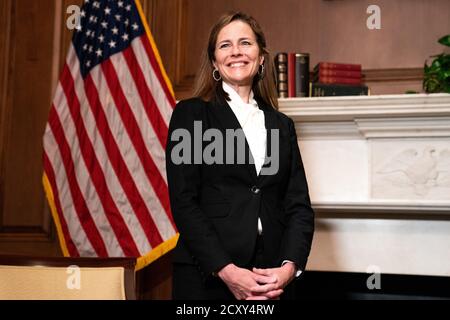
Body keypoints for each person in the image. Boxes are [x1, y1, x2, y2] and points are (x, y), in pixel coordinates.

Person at [166, 11, 314, 300]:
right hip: (207, 275)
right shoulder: (191, 114)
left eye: (245, 43)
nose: (236, 51)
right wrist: (226, 271)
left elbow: (298, 206)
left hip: (271, 278)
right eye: (225, 45)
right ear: (214, 62)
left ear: (260, 58)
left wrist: (288, 268)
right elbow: (184, 201)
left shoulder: (281, 126)